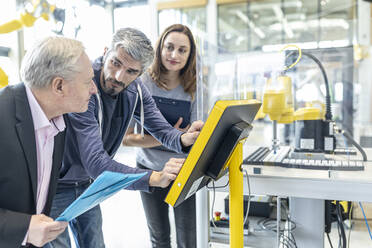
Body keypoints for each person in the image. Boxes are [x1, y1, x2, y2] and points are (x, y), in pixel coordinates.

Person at [44, 27, 203, 248]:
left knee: (95, 244)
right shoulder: (84, 87)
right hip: (56, 185)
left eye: (131, 71)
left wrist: (184, 138)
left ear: (140, 73)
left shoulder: (135, 89)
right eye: (116, 63)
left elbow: (160, 127)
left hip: (88, 185)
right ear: (106, 51)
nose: (119, 77)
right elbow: (96, 163)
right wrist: (153, 178)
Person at [0, 36, 97, 248]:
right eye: (88, 81)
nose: (94, 89)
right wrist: (23, 228)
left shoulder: (58, 119)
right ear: (59, 86)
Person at [123, 24, 198, 248]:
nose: (174, 55)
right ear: (160, 49)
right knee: (159, 237)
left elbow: (197, 137)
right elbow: (126, 138)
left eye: (182, 50)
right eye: (169, 47)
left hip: (183, 172)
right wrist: (170, 136)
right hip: (149, 169)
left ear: (189, 55)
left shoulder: (194, 88)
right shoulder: (140, 83)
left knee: (188, 238)